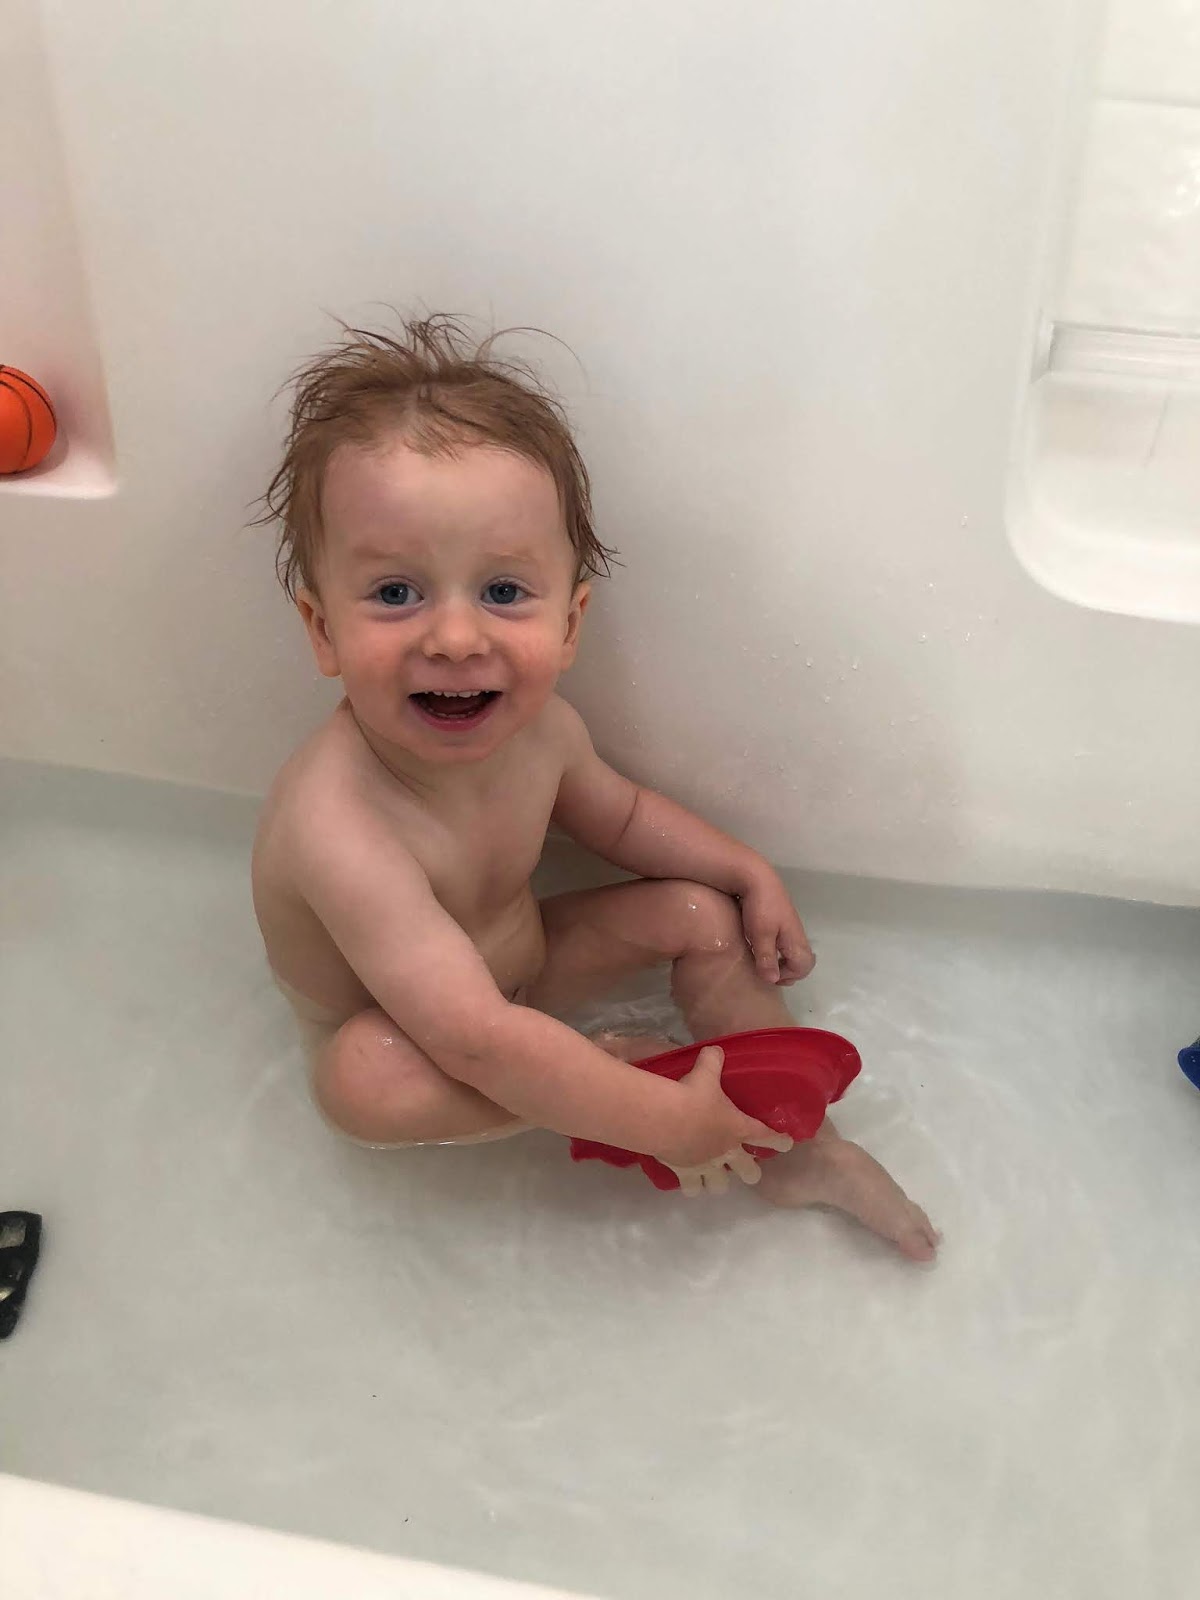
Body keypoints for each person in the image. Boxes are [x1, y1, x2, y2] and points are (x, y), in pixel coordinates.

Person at [251, 316, 937, 1260]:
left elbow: (623, 817)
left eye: (502, 592)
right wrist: (654, 1119)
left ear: (570, 623)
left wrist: (746, 871)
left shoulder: (541, 732)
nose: (455, 638)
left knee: (698, 913)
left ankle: (791, 1147)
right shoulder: (338, 826)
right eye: (397, 594)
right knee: (364, 1077)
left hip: (522, 978)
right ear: (322, 629)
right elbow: (474, 1039)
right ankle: (615, 1092)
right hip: (422, 1041)